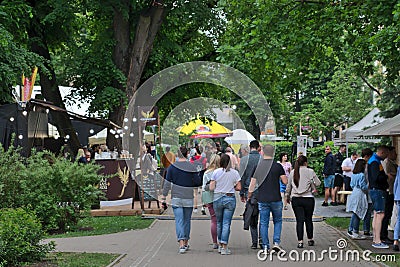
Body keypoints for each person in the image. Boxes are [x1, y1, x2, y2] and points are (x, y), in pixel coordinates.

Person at [248, 144, 288, 253]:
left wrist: (249, 195)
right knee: (278, 221)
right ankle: (276, 243)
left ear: (263, 152)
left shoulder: (258, 166)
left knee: (264, 222)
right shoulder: (278, 166)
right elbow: (285, 181)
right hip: (276, 198)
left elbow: (252, 184)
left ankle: (265, 246)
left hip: (262, 198)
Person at [162, 146, 201, 254]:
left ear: (177, 154)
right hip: (188, 197)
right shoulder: (191, 166)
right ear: (187, 153)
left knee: (179, 220)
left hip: (176, 197)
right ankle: (186, 242)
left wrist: (164, 196)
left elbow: (167, 183)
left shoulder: (172, 167)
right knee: (187, 220)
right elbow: (197, 181)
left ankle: (181, 244)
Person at [285, 155, 321, 248]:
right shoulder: (310, 171)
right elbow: (318, 183)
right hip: (308, 198)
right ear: (305, 162)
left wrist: (287, 197)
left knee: (299, 220)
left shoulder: (293, 172)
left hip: (296, 199)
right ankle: (310, 239)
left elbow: (288, 187)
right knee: (308, 219)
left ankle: (300, 241)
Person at [209, 154, 241, 255]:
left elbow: (211, 188)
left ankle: (219, 244)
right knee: (226, 223)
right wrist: (232, 187)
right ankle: (224, 246)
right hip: (229, 198)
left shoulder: (216, 172)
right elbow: (239, 187)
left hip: (217, 197)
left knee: (219, 222)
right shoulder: (235, 173)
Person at [239, 140, 262, 249]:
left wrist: (242, 193)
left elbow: (242, 177)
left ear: (250, 147)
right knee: (263, 217)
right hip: (262, 191)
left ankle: (254, 242)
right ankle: (262, 240)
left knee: (252, 216)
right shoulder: (263, 160)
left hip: (249, 191)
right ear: (258, 147)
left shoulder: (244, 160)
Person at [368, 145, 389, 249]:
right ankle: (377, 240)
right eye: (386, 154)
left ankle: (375, 238)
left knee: (376, 214)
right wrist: (385, 176)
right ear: (382, 153)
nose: (386, 157)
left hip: (373, 190)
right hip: (378, 190)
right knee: (380, 215)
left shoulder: (372, 160)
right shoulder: (375, 162)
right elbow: (377, 177)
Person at [201, 154, 220, 249]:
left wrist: (203, 201)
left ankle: (214, 242)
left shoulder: (207, 173)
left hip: (209, 198)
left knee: (213, 220)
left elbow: (204, 187)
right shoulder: (222, 172)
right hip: (220, 197)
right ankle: (222, 241)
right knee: (221, 220)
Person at [346, 159, 368, 240]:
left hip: (354, 192)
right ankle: (355, 231)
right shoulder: (362, 175)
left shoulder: (353, 174)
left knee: (355, 212)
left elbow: (351, 185)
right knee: (358, 212)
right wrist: (368, 187)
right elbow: (363, 186)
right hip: (360, 193)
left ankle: (351, 229)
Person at [381, 146, 398, 244]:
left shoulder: (391, 163)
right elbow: (389, 176)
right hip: (389, 191)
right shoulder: (388, 163)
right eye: (394, 153)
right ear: (389, 153)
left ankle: (384, 234)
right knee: (386, 213)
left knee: (388, 213)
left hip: (391, 191)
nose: (396, 155)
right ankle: (383, 235)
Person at [361, 148, 374, 238]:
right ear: (367, 156)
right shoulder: (367, 165)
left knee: (366, 211)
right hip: (367, 190)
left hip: (363, 191)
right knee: (368, 211)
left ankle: (366, 229)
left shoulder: (360, 164)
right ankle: (366, 229)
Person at [393, 166, 400, 251]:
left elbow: (396, 182)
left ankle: (395, 241)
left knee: (399, 219)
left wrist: (395, 196)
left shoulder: (399, 168)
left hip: (399, 196)